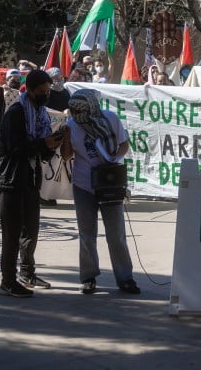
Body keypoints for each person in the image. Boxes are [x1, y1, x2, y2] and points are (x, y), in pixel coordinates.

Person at [61, 89, 140, 295]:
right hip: (84, 185)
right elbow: (67, 156)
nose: (78, 116)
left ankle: (125, 278)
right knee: (87, 233)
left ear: (92, 107)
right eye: (74, 111)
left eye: (81, 111)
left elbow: (124, 144)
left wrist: (114, 159)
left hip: (109, 183)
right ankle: (88, 277)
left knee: (116, 234)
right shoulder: (72, 125)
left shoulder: (110, 118)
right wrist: (67, 138)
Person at [0, 69, 64, 297]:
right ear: (31, 90)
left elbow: (40, 150)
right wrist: (43, 143)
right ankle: (8, 281)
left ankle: (27, 273)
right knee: (12, 234)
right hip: (12, 179)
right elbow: (16, 148)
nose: (46, 95)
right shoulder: (16, 113)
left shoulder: (41, 113)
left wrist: (50, 145)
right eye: (42, 91)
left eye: (48, 91)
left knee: (30, 232)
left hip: (31, 179)